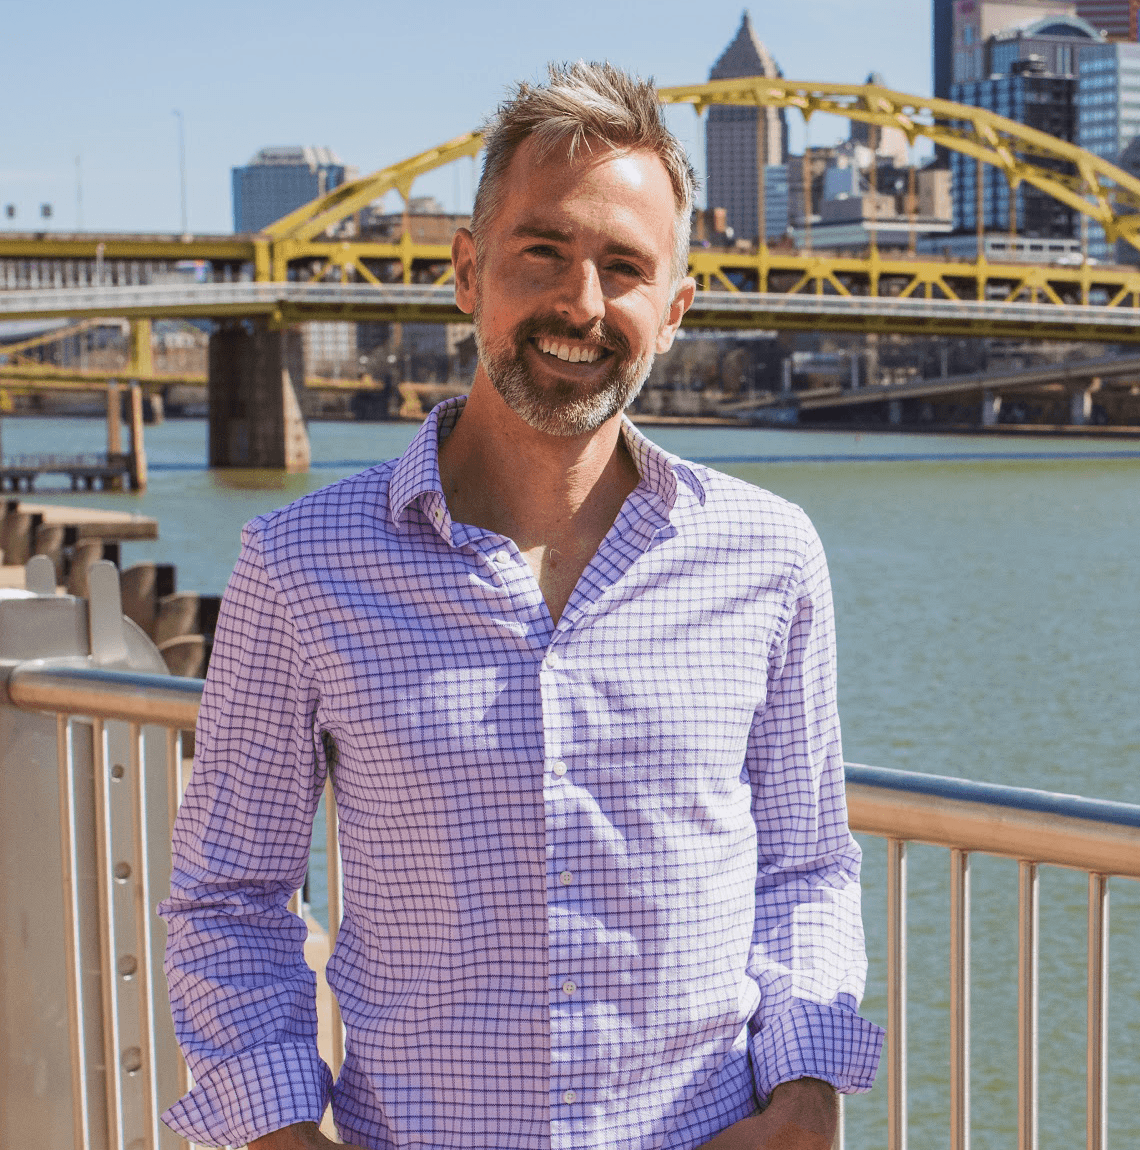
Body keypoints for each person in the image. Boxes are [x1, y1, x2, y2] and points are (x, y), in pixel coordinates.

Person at [160, 62, 883, 1150]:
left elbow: (806, 866)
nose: (581, 304)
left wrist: (806, 1093)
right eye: (543, 249)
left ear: (675, 309)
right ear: (467, 270)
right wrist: (277, 1135)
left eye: (625, 267)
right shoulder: (299, 563)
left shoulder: (769, 559)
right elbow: (231, 898)